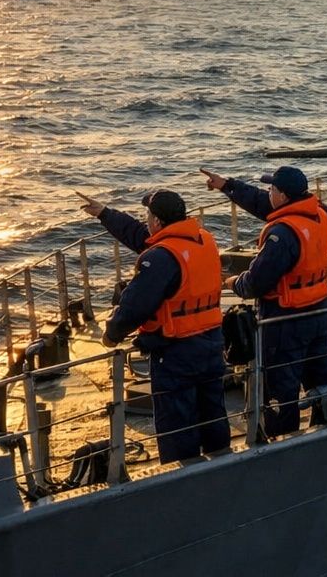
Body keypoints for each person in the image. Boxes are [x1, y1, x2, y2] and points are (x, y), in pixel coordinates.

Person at [79, 189, 229, 463]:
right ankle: (223, 463)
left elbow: (134, 307)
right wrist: (105, 213)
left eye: (148, 215)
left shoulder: (160, 257)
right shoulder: (203, 240)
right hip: (210, 341)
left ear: (158, 221)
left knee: (176, 421)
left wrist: (111, 334)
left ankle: (183, 476)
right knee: (212, 411)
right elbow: (143, 239)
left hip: (176, 351)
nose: (146, 220)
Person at [201, 164, 327, 437]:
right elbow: (259, 202)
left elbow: (257, 281)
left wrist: (234, 283)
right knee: (321, 378)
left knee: (280, 387)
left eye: (272, 189)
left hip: (284, 320)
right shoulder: (319, 216)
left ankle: (282, 442)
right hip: (318, 312)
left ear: (282, 195)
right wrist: (227, 185)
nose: (268, 193)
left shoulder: (283, 234)